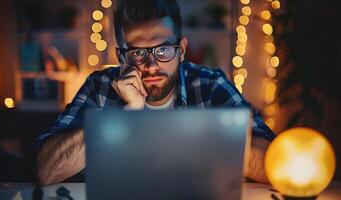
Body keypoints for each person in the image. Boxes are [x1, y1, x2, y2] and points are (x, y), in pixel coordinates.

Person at [35, 0, 275, 186]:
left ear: (181, 50)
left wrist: (205, 138)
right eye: (138, 53)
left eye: (163, 50)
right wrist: (124, 116)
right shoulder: (101, 86)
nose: (151, 65)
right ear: (121, 56)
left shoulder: (209, 85)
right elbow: (46, 170)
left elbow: (275, 163)